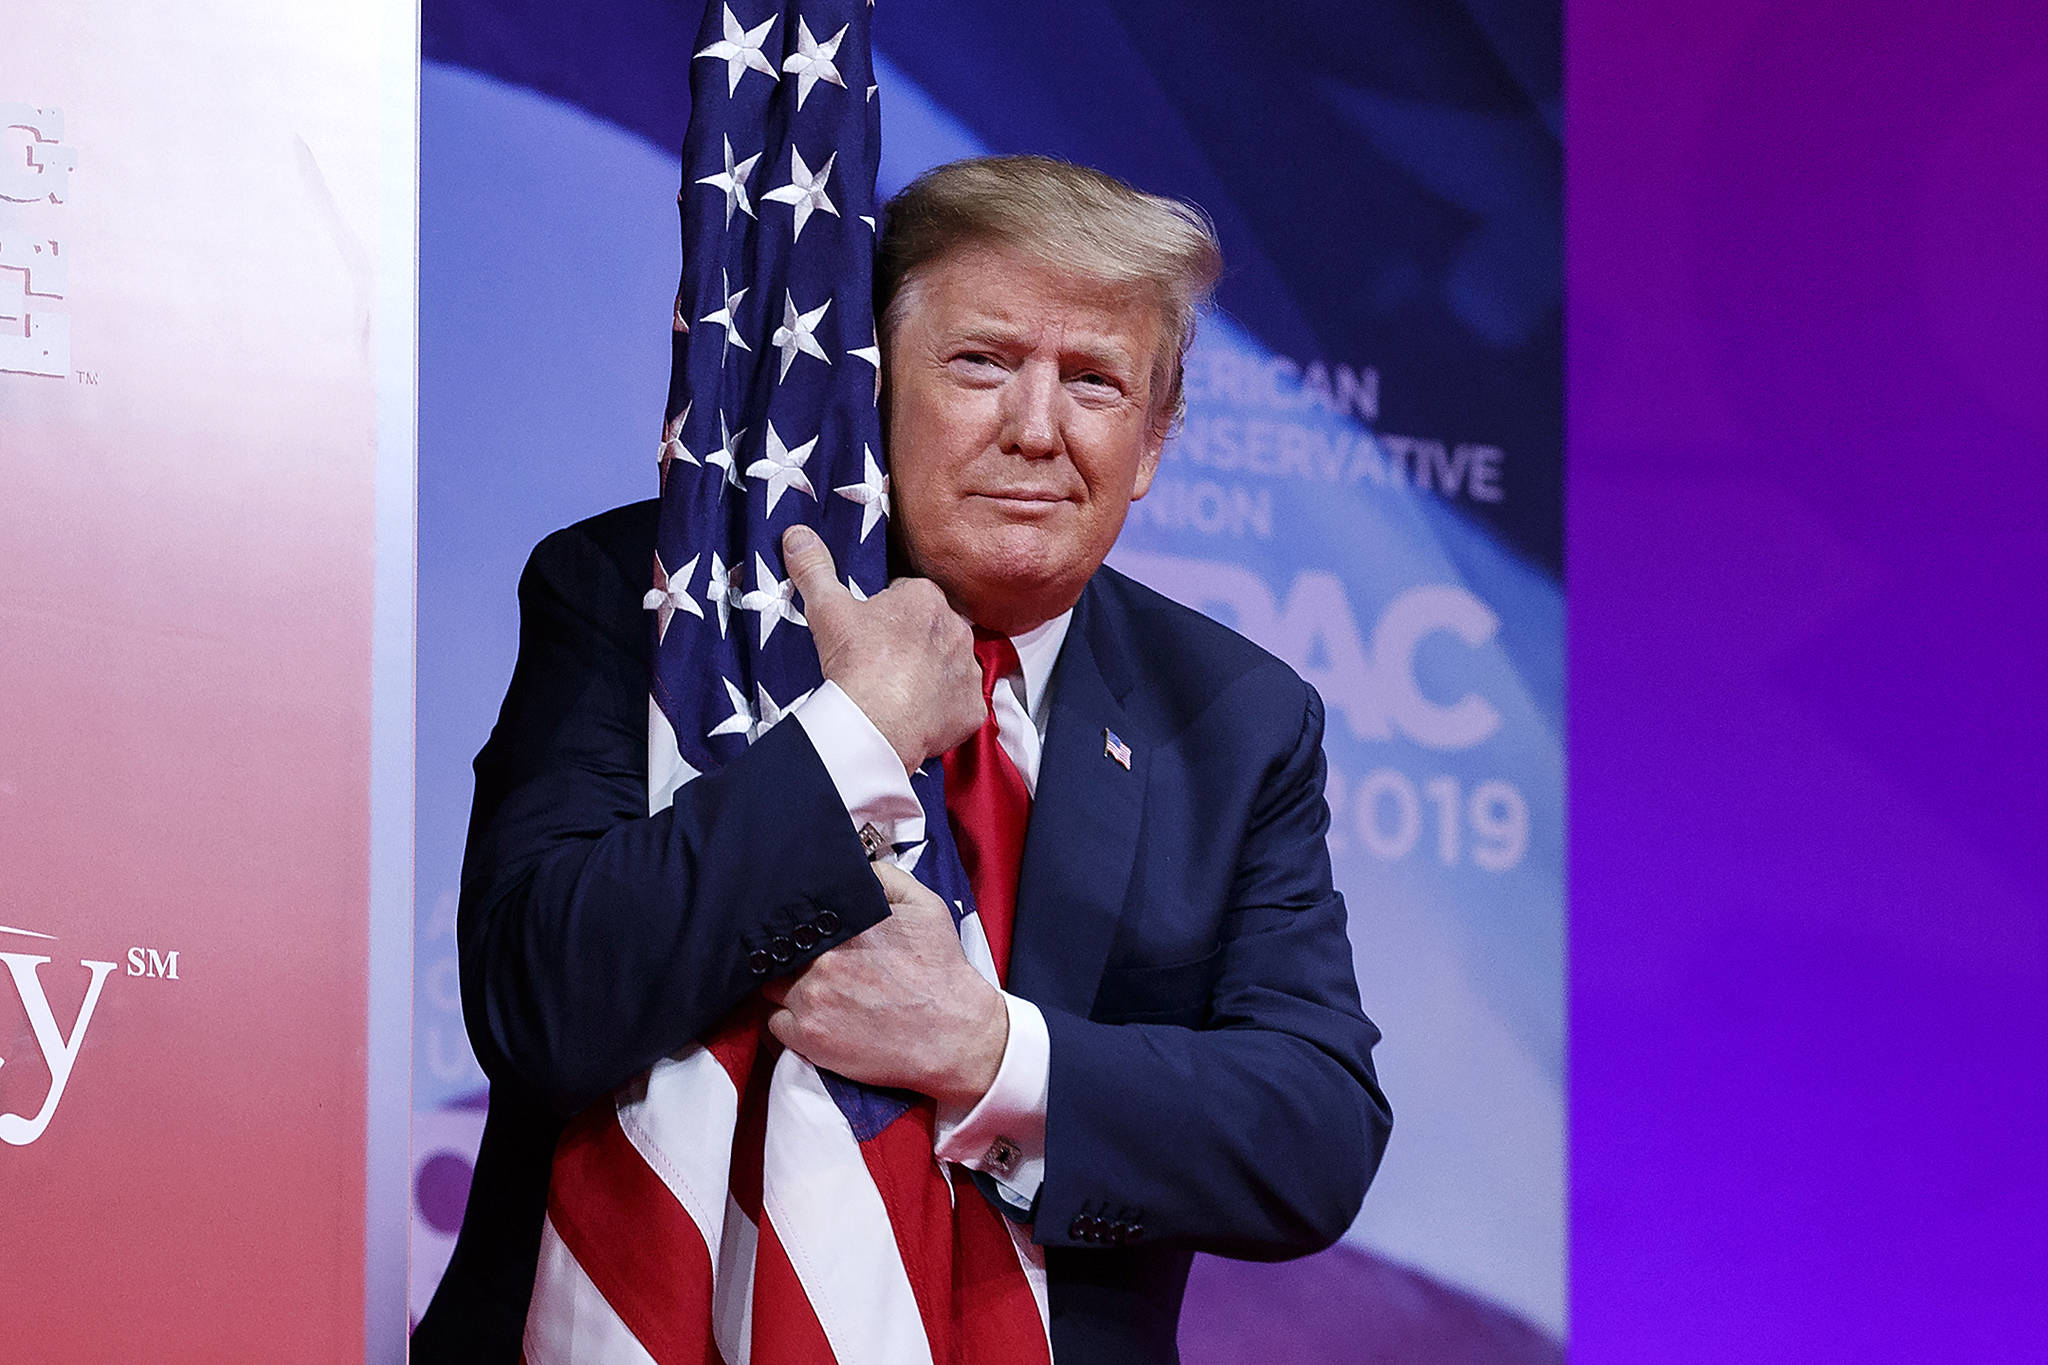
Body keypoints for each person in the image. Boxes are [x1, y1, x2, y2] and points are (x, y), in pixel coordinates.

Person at [413, 155, 1391, 1364]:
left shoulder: (1234, 718)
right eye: (981, 362)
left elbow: (1313, 1133)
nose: (1036, 430)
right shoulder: (656, 604)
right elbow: (539, 1001)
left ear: (1150, 443)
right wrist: (850, 740)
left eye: (1093, 382)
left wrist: (986, 1052)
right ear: (866, 384)